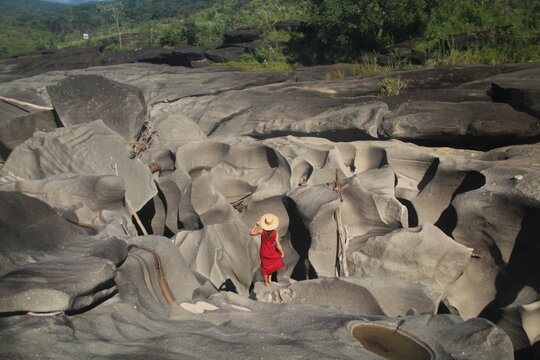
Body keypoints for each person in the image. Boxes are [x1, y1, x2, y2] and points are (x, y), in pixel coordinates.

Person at [250, 213, 285, 286]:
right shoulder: (275, 233)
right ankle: (270, 277)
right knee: (272, 263)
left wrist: (256, 225)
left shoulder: (262, 231)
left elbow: (251, 233)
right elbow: (278, 244)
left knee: (265, 266)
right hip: (272, 251)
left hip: (263, 251)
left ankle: (266, 282)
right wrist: (282, 252)